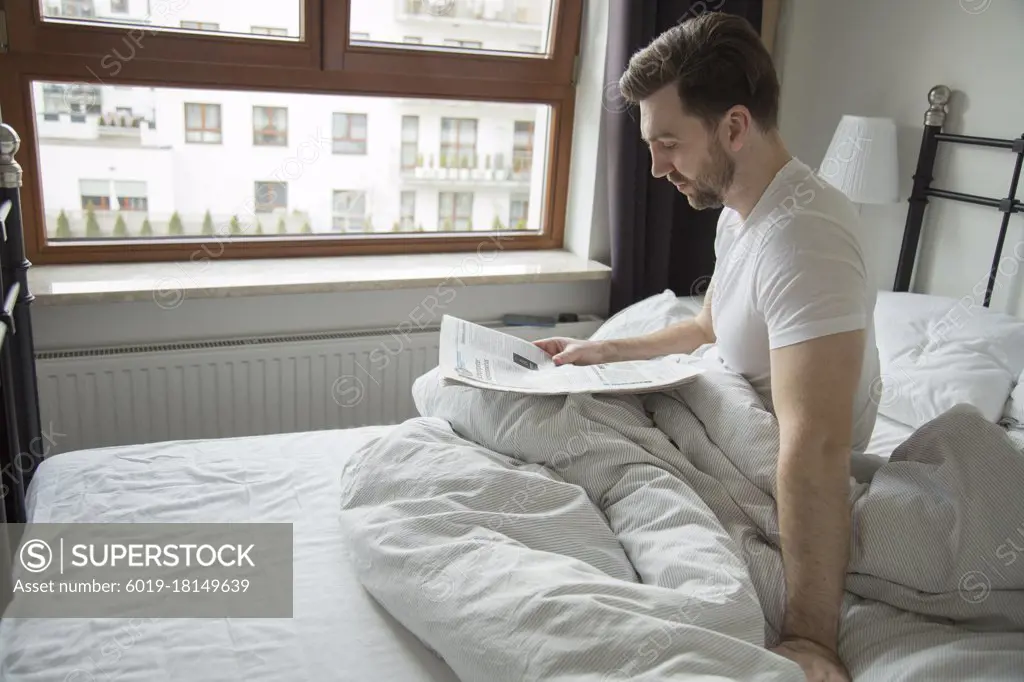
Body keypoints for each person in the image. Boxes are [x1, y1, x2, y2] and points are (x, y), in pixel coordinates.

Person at [534, 11, 880, 682]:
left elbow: (817, 449)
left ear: (734, 127)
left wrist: (812, 638)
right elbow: (708, 328)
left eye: (669, 143)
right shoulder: (743, 211)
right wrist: (598, 353)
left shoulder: (807, 240)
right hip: (721, 422)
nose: (658, 167)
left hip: (758, 460)